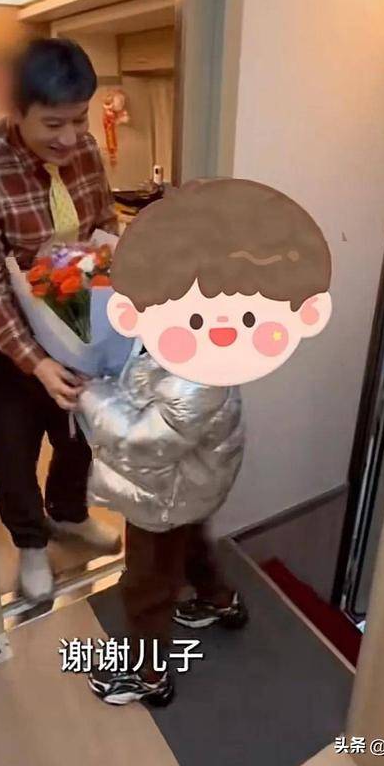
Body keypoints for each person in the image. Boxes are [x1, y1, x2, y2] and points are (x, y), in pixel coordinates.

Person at [77, 178, 333, 705]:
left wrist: (90, 396)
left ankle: (149, 674)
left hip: (164, 490)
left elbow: (147, 440)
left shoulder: (198, 373)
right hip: (189, 484)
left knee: (147, 582)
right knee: (191, 545)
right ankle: (220, 601)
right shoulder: (195, 337)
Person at [0, 38, 121, 601]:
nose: (71, 138)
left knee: (78, 433)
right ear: (16, 110)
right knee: (13, 447)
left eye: (80, 119)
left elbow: (102, 224)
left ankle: (69, 513)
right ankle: (30, 542)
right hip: (7, 336)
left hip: (78, 317)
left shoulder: (85, 149)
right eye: (54, 124)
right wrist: (36, 361)